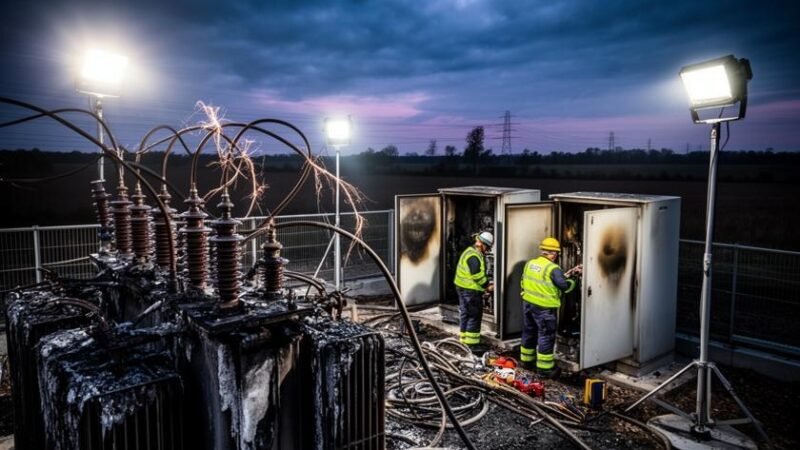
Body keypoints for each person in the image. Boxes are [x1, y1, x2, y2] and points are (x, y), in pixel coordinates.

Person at [519, 237, 580, 377]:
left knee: (529, 331)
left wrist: (563, 276)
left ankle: (526, 361)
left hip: (528, 303)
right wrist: (573, 280)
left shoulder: (530, 263)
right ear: (552, 253)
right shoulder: (553, 268)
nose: (556, 256)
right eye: (556, 253)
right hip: (544, 308)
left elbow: (529, 281)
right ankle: (544, 369)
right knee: (545, 336)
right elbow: (565, 287)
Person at [453, 231, 494, 353]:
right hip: (470, 290)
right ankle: (472, 346)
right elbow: (477, 276)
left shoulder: (470, 251)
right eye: (487, 247)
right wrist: (488, 285)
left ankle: (464, 340)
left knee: (465, 314)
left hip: (462, 287)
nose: (487, 250)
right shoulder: (474, 256)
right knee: (474, 316)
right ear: (482, 244)